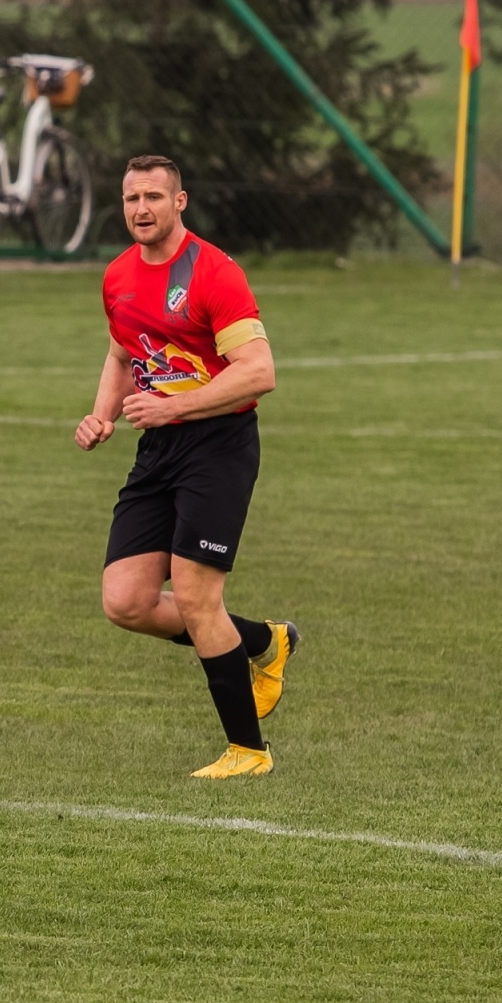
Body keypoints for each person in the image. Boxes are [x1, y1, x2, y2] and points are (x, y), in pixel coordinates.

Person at [75, 155, 300, 779]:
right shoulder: (118, 275)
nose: (140, 208)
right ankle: (263, 641)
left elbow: (260, 372)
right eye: (130, 198)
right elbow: (123, 353)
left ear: (181, 202)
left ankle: (248, 752)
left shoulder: (215, 274)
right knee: (126, 601)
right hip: (159, 448)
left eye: (153, 196)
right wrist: (102, 416)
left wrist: (175, 405)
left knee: (198, 596)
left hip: (219, 445)